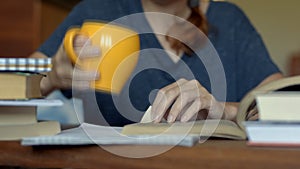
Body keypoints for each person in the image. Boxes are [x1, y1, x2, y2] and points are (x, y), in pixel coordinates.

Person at [29, 0, 283, 126]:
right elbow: (10, 86)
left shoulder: (229, 20)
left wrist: (225, 111)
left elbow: (286, 103)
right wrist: (51, 76)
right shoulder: (97, 10)